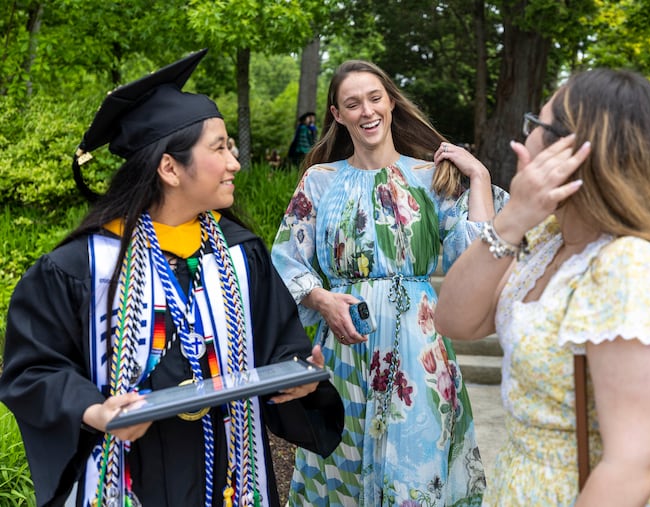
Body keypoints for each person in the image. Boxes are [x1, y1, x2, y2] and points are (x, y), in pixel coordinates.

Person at [0, 49, 343, 507]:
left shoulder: (241, 255)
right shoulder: (82, 268)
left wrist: (300, 378)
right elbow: (34, 370)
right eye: (220, 148)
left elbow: (280, 343)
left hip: (228, 475)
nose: (235, 162)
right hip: (129, 477)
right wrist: (94, 409)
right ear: (169, 168)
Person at [434, 68, 650, 506]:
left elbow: (636, 465)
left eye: (536, 127)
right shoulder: (547, 238)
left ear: (577, 152)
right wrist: (511, 219)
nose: (524, 141)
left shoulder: (632, 269)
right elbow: (454, 319)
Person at [270, 59, 509, 506]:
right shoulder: (320, 182)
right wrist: (320, 299)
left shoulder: (429, 178)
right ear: (338, 115)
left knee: (414, 472)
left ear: (392, 102)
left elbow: (475, 260)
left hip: (419, 353)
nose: (367, 111)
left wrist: (480, 177)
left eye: (375, 98)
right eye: (352, 103)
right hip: (344, 349)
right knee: (340, 466)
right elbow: (283, 260)